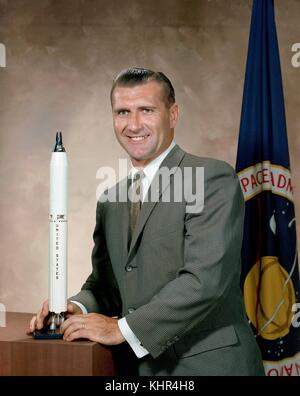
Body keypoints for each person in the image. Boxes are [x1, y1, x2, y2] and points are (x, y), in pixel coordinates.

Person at [29, 67, 264, 376]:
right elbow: (107, 285)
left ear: (173, 114)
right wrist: (75, 307)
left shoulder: (210, 179)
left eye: (146, 110)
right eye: (122, 112)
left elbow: (203, 282)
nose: (133, 124)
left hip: (208, 366)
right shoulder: (110, 199)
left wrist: (122, 329)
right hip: (135, 371)